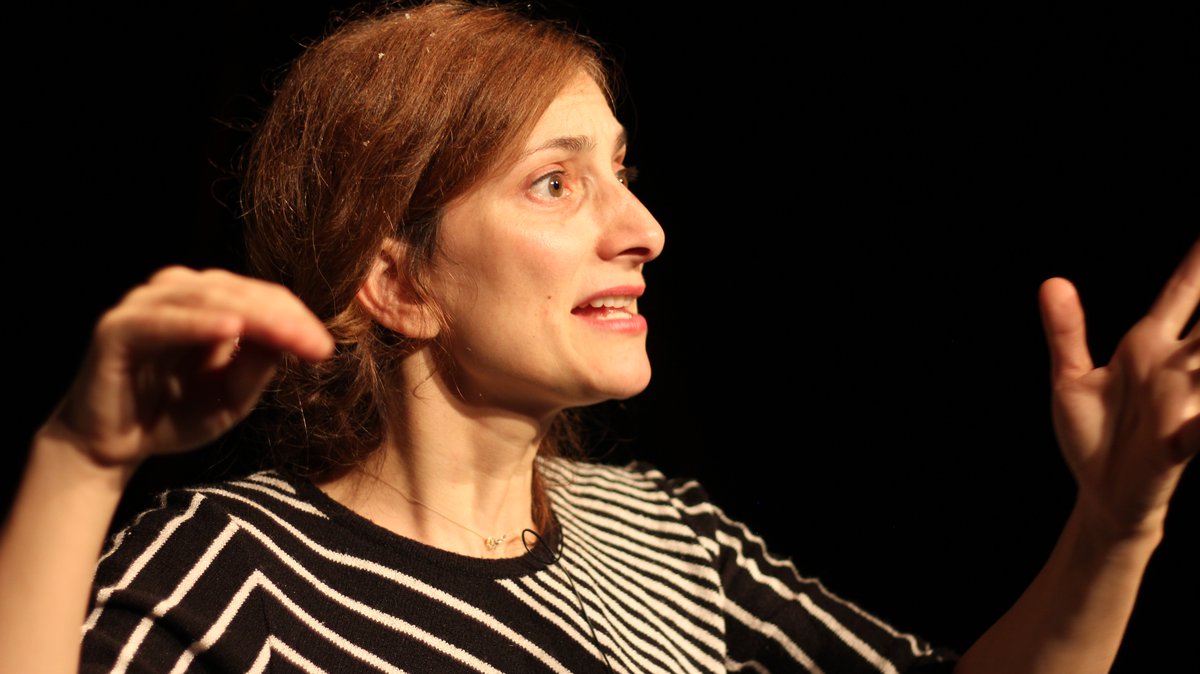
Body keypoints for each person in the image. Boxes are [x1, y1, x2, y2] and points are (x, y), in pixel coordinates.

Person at [1, 1, 1196, 672]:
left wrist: (1114, 525)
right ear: (397, 280)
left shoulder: (668, 539)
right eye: (554, 183)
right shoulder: (239, 574)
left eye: (621, 172)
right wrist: (80, 460)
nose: (645, 230)